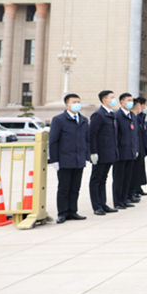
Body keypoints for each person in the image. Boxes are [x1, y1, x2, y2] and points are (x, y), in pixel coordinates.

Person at [48, 93, 90, 223]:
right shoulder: (59, 119)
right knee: (64, 188)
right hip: (64, 159)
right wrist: (54, 160)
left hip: (79, 159)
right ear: (67, 104)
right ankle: (62, 213)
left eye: (79, 101)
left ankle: (73, 211)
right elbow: (53, 141)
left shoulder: (83, 120)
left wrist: (87, 155)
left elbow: (87, 140)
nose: (77, 104)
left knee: (75, 187)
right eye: (74, 102)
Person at [89, 90, 120, 215]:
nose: (114, 100)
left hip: (109, 152)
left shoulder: (111, 114)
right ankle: (96, 206)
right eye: (111, 97)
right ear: (104, 100)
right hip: (100, 153)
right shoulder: (98, 115)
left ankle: (103, 203)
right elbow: (92, 135)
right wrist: (93, 152)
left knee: (103, 179)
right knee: (96, 179)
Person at [114, 93, 139, 210]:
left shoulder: (132, 116)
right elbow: (115, 136)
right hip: (121, 152)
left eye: (132, 100)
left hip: (131, 152)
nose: (131, 102)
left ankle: (124, 199)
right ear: (122, 102)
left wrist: (136, 149)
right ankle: (118, 201)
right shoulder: (117, 116)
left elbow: (135, 135)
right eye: (128, 100)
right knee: (119, 178)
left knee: (127, 177)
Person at [130, 97, 147, 199]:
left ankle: (138, 188)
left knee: (140, 169)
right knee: (135, 171)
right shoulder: (135, 118)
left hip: (141, 147)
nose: (145, 107)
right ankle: (133, 190)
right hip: (136, 148)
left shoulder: (140, 117)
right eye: (144, 105)